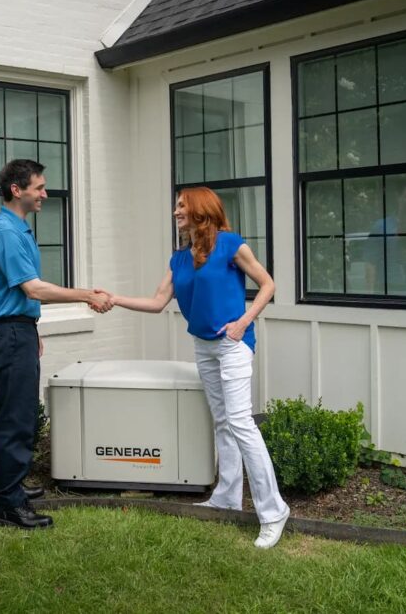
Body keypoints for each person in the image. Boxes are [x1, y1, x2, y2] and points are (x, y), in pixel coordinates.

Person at [111, 187, 290, 549]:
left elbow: (267, 284)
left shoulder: (230, 244)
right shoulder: (179, 259)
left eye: (181, 206)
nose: (176, 212)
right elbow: (157, 302)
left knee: (240, 422)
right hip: (203, 345)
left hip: (233, 343)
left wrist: (244, 321)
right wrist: (114, 299)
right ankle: (226, 497)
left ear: (199, 209)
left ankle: (273, 512)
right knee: (222, 421)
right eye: (176, 207)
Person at [0, 158, 113, 530]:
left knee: (18, 414)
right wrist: (87, 295)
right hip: (10, 335)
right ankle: (9, 505)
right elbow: (33, 289)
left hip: (18, 330)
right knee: (18, 419)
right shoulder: (7, 233)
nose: (44, 193)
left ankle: (6, 487)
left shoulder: (18, 229)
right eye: (38, 187)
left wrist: (32, 327)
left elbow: (19, 296)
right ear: (17, 190)